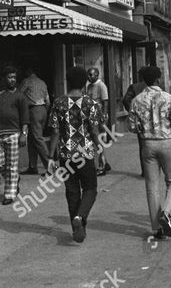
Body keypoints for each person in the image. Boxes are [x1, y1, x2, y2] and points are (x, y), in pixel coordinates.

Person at [128, 66, 171, 240]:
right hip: (167, 143)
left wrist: (142, 129)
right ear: (158, 79)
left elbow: (132, 126)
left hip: (147, 145)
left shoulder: (137, 100)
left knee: (152, 186)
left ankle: (156, 229)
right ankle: (166, 213)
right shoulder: (169, 99)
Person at [48, 67, 101, 242]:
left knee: (72, 192)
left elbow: (55, 132)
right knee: (90, 189)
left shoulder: (58, 103)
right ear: (85, 82)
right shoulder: (91, 104)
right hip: (85, 153)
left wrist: (51, 157)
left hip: (65, 154)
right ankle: (81, 217)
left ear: (68, 81)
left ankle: (77, 228)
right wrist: (100, 150)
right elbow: (94, 130)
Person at [0, 67, 29, 205]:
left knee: (11, 165)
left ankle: (9, 194)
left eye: (14, 77)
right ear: (4, 78)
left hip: (13, 134)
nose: (12, 80)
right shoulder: (1, 95)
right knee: (1, 164)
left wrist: (23, 134)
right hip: (0, 134)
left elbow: (25, 118)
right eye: (9, 77)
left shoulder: (20, 96)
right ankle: (14, 179)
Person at [19, 66, 50, 175]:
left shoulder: (26, 81)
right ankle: (32, 166)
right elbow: (48, 101)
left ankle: (50, 167)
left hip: (33, 110)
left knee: (37, 138)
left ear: (28, 71)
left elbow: (19, 95)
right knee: (32, 139)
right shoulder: (42, 82)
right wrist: (43, 111)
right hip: (43, 110)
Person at [123, 66, 147, 177]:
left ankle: (145, 171)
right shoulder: (154, 87)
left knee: (143, 146)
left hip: (140, 121)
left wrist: (132, 112)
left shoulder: (134, 87)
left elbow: (126, 100)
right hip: (154, 121)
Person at [86, 67, 111, 175]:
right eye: (88, 75)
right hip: (91, 116)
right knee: (96, 140)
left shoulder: (101, 86)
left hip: (98, 116)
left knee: (98, 140)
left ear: (97, 75)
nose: (89, 77)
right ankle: (105, 162)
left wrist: (104, 116)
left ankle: (102, 166)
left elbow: (105, 101)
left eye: (91, 75)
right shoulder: (89, 86)